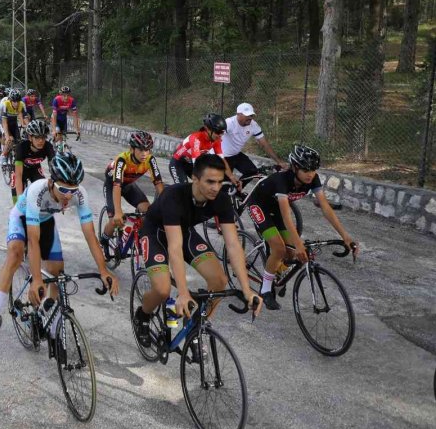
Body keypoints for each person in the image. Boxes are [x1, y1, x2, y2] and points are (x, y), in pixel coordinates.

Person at [0, 151, 119, 339]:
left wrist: (103, 270)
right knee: (15, 255)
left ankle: (48, 314)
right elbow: (32, 240)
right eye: (63, 190)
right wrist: (37, 278)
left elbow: (90, 236)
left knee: (58, 271)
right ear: (51, 183)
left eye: (73, 190)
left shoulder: (79, 195)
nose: (68, 196)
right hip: (22, 218)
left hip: (46, 220)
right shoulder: (37, 191)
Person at [132, 154, 263, 346]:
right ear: (195, 178)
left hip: (184, 231)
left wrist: (246, 290)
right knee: (162, 289)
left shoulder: (221, 199)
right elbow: (175, 248)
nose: (215, 188)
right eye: (210, 181)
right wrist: (183, 292)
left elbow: (234, 245)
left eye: (220, 182)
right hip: (154, 233)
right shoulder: (173, 196)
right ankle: (142, 315)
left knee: (219, 280)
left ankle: (197, 326)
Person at [246, 144, 359, 310]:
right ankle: (265, 290)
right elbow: (286, 215)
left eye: (313, 170)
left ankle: (276, 272)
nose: (310, 174)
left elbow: (326, 208)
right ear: (295, 168)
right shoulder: (282, 180)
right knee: (278, 248)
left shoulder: (313, 179)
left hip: (276, 208)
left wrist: (345, 236)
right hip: (259, 206)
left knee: (290, 252)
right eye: (306, 170)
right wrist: (299, 243)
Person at [100, 130, 164, 249]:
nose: (144, 153)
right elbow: (117, 186)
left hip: (129, 186)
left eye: (147, 150)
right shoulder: (122, 159)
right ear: (132, 149)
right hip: (112, 185)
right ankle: (104, 239)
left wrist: (166, 205)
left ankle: (137, 237)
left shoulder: (150, 160)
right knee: (115, 220)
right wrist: (118, 212)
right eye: (140, 150)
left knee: (148, 212)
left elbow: (159, 184)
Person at [169, 113, 240, 187]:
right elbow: (197, 163)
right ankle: (167, 193)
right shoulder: (196, 139)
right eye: (218, 132)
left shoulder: (216, 140)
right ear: (207, 129)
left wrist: (231, 177)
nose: (220, 135)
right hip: (178, 163)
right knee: (183, 189)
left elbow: (222, 160)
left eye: (222, 132)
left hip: (189, 164)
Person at [222, 103, 287, 176]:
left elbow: (264, 144)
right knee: (224, 182)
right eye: (247, 115)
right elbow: (213, 135)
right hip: (223, 156)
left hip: (236, 155)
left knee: (252, 172)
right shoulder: (229, 123)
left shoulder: (253, 125)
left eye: (251, 115)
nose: (250, 118)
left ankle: (238, 187)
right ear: (238, 114)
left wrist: (279, 161)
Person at [11, 119, 54, 204]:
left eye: (43, 137)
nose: (41, 141)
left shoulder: (48, 147)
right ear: (30, 137)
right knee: (17, 200)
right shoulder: (21, 147)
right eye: (37, 137)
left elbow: (54, 170)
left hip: (35, 169)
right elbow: (18, 175)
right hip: (21, 170)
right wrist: (20, 199)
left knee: (43, 191)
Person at [0, 90, 25, 166]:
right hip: (3, 122)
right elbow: (4, 122)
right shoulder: (5, 105)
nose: (16, 103)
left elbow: (20, 114)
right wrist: (7, 136)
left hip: (13, 123)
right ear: (10, 100)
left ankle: (14, 157)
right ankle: (3, 155)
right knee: (10, 139)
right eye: (14, 101)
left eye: (17, 101)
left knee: (18, 142)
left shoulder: (21, 104)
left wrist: (23, 124)